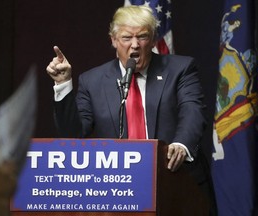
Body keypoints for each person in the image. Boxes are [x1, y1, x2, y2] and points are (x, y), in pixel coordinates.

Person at [46, 5, 217, 215]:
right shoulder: (93, 81)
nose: (135, 45)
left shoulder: (180, 69)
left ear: (154, 40)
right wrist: (63, 85)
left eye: (143, 37)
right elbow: (72, 134)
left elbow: (192, 111)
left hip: (177, 185)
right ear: (113, 40)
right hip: (120, 193)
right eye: (127, 38)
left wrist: (181, 144)